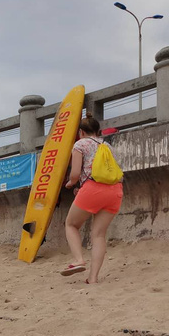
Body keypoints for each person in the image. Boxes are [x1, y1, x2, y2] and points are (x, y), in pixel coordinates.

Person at [61, 117, 123, 284]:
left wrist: (70, 184)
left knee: (71, 225)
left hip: (93, 189)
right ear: (98, 131)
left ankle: (78, 259)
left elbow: (74, 174)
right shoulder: (107, 146)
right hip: (115, 191)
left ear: (81, 132)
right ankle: (93, 278)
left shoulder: (80, 144)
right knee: (99, 235)